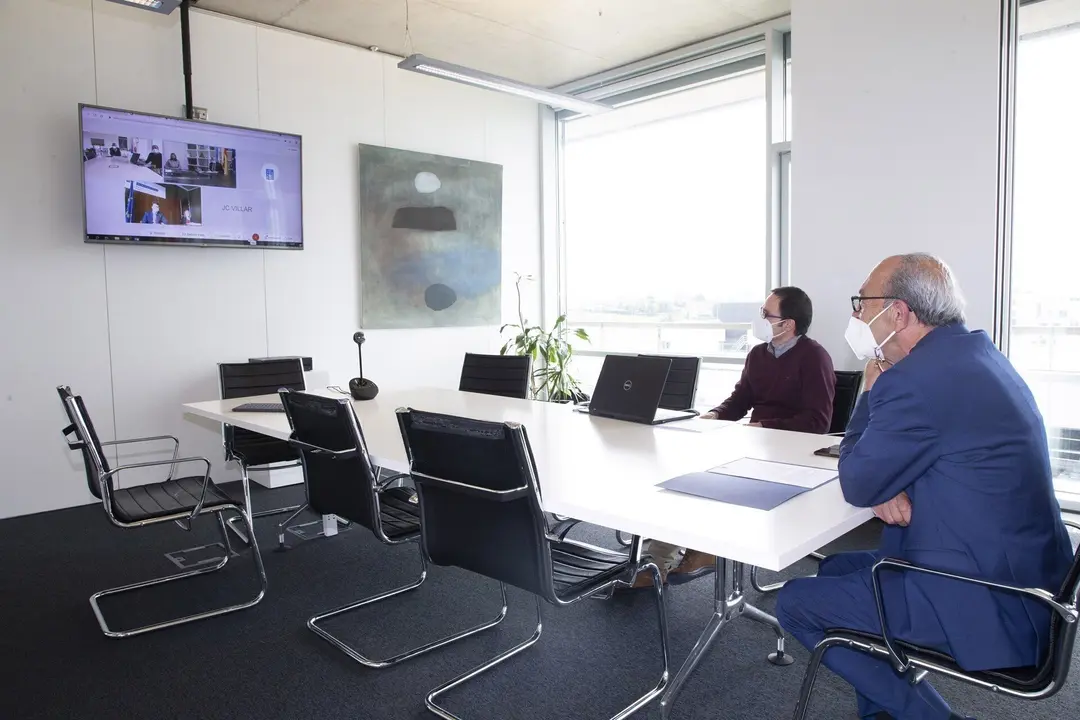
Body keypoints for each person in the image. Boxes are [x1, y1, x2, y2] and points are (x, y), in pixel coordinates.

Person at [775, 253, 1074, 720]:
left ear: (898, 313)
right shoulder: (976, 354)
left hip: (984, 596)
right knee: (834, 569)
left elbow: (856, 479)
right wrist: (888, 481)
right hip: (1027, 576)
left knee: (794, 602)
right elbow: (942, 451)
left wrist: (870, 395)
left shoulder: (916, 381)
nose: (857, 316)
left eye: (862, 302)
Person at [635, 287, 837, 588]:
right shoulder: (758, 354)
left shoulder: (814, 357)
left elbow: (817, 422)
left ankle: (680, 555)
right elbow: (740, 400)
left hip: (787, 454)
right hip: (754, 445)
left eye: (766, 315)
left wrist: (762, 426)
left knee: (702, 478)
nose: (761, 319)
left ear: (788, 324)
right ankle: (669, 555)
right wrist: (714, 415)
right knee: (683, 471)